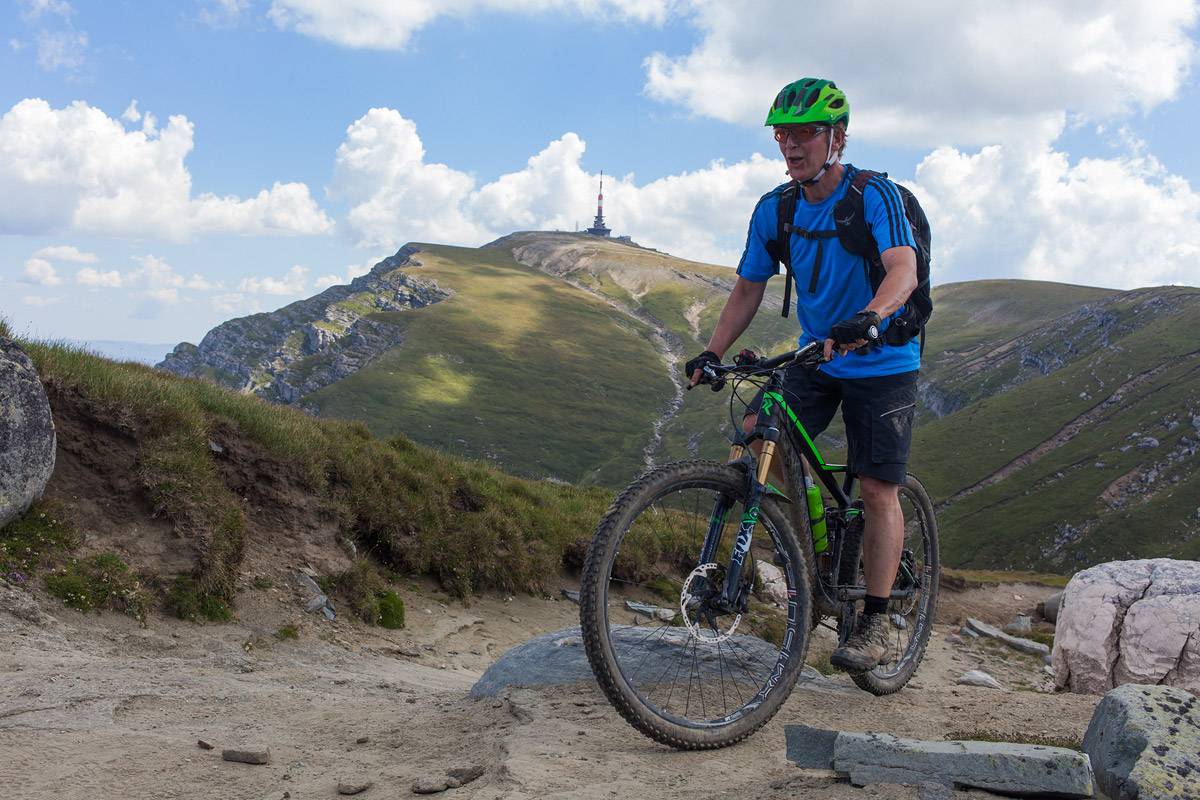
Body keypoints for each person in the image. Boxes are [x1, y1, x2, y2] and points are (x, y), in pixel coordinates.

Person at [685, 78, 920, 674]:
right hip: (816, 355)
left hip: (883, 359)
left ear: (837, 137)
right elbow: (747, 287)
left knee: (877, 490)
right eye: (782, 135)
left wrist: (872, 316)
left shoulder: (874, 195)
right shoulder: (776, 208)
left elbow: (903, 269)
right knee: (757, 436)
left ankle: (875, 619)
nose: (791, 145)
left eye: (805, 134)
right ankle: (810, 555)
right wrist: (711, 352)